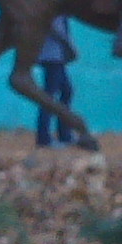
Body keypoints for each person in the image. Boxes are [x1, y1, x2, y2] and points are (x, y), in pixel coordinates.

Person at [34, 15, 78, 147]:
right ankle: (44, 138)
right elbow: (54, 27)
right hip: (52, 56)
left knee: (66, 91)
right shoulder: (54, 5)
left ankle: (64, 134)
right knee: (49, 96)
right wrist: (69, 45)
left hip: (55, 55)